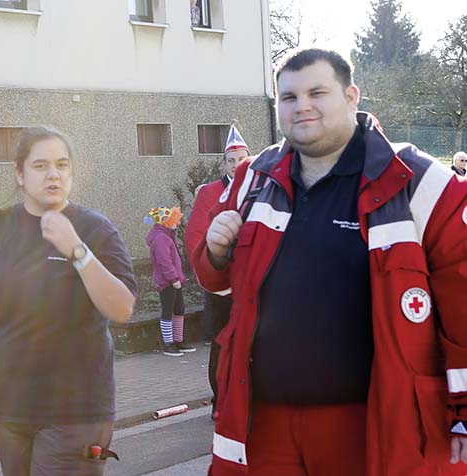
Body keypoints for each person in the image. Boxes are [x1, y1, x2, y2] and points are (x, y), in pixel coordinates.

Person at [191, 48, 467, 475]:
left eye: (317, 93)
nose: (302, 106)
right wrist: (214, 251)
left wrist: (462, 407)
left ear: (351, 97)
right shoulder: (252, 178)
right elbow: (218, 281)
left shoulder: (419, 180)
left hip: (371, 424)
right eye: (289, 97)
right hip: (264, 425)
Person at [0, 126, 138, 476]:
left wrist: (77, 251)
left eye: (62, 165)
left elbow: (122, 309)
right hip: (9, 409)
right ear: (20, 174)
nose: (53, 174)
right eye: (40, 165)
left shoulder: (95, 230)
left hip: (75, 412)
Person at [185, 124, 250, 416]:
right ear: (224, 164)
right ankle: (220, 401)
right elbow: (195, 236)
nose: (236, 165)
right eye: (231, 160)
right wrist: (211, 268)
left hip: (251, 283)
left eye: (241, 159)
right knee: (222, 343)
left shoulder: (258, 188)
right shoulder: (210, 192)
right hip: (221, 284)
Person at [144, 206, 195, 357]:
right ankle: (168, 344)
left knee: (179, 309)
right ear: (165, 222)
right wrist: (173, 278)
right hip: (166, 282)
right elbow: (164, 261)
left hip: (173, 280)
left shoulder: (167, 236)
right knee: (168, 310)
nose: (176, 224)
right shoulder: (161, 238)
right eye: (174, 221)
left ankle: (178, 340)